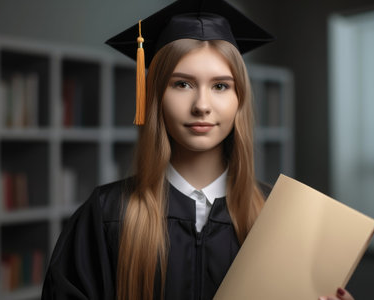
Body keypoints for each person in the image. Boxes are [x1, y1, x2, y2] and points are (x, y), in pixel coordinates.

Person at [42, 0, 355, 299]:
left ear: (240, 99)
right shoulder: (107, 213)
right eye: (182, 84)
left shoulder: (277, 216)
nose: (202, 106)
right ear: (155, 97)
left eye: (220, 86)